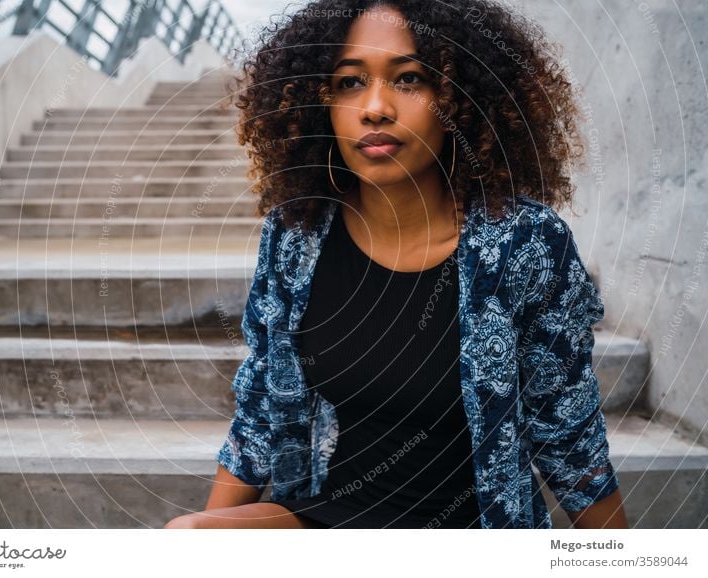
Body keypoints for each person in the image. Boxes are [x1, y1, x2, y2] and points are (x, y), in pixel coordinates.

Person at [165, 0, 629, 529]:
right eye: (348, 82)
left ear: (459, 99)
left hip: (466, 532)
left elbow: (568, 435)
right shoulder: (296, 236)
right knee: (186, 538)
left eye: (409, 79)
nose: (375, 107)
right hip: (330, 517)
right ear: (320, 104)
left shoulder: (526, 244)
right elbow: (258, 415)